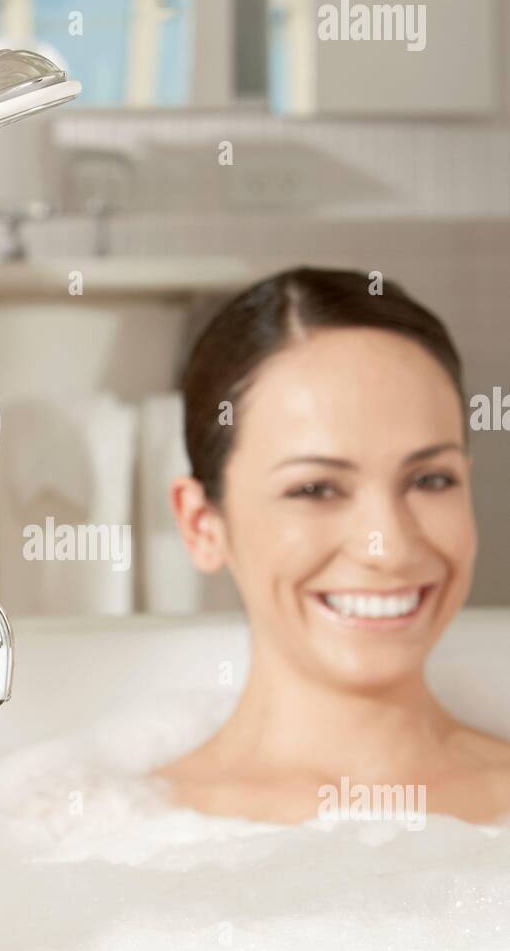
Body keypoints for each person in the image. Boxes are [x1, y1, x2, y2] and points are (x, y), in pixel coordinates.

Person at [158, 266, 510, 824]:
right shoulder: (115, 838)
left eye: (429, 480)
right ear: (203, 524)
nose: (388, 547)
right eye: (315, 488)